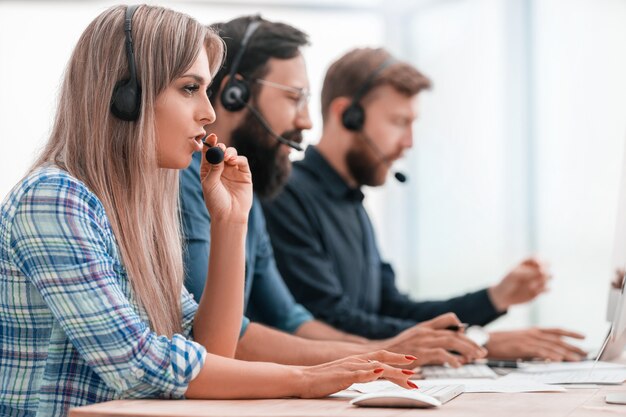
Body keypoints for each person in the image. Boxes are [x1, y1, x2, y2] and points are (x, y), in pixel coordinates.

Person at [0, 8, 415, 416]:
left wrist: (231, 221)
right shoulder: (54, 200)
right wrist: (305, 380)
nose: (209, 112)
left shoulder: (136, 210)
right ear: (125, 96)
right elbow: (138, 365)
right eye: (188, 88)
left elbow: (211, 349)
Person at [180, 15, 486, 368]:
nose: (307, 121)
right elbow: (218, 338)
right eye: (295, 98)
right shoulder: (186, 181)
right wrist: (378, 354)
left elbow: (293, 320)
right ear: (236, 95)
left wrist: (386, 351)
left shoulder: (246, 191)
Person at [262, 47, 588, 361]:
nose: (409, 142)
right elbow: (331, 321)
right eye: (399, 122)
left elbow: (392, 310)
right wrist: (477, 341)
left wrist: (495, 297)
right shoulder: (286, 196)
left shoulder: (353, 206)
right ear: (347, 115)